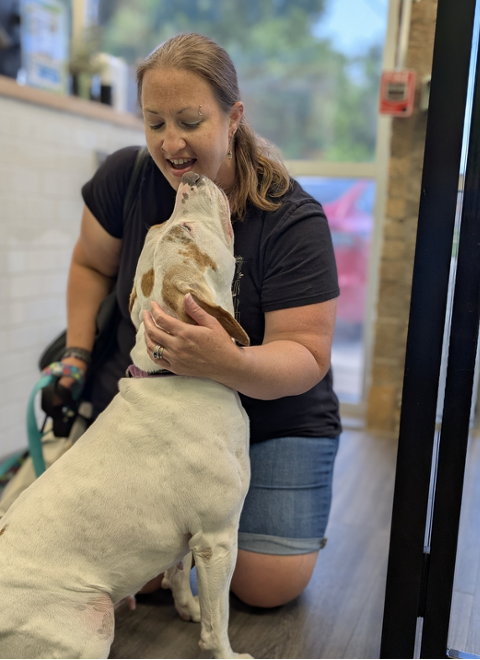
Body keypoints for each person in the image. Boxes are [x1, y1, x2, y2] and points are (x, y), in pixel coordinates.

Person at [60, 32, 342, 609]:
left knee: (264, 586)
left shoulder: (292, 220)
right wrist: (76, 355)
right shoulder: (126, 179)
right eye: (155, 122)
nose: (170, 143)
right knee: (126, 576)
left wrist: (226, 362)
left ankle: (202, 530)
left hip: (270, 414)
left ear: (233, 118)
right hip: (154, 409)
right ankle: (184, 534)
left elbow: (307, 353)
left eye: (190, 121)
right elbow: (89, 264)